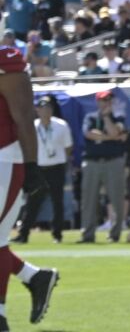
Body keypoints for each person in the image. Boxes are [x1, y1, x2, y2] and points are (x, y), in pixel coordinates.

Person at [0, 45, 60, 332]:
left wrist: (32, 164)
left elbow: (24, 115)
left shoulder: (5, 60)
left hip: (4, 158)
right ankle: (35, 277)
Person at [18, 93, 71, 244]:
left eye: (48, 107)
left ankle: (57, 234)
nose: (45, 110)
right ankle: (24, 234)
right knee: (32, 202)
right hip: (39, 167)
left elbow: (68, 147)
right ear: (37, 110)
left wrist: (59, 159)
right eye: (42, 108)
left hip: (57, 167)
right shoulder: (33, 127)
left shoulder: (61, 125)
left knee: (57, 201)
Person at [78, 88, 129, 243]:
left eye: (108, 100)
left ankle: (115, 234)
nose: (106, 103)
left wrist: (107, 119)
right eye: (103, 100)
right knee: (88, 200)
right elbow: (88, 133)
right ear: (97, 102)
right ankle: (88, 235)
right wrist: (111, 137)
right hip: (92, 162)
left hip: (113, 162)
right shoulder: (90, 117)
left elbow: (115, 132)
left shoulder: (118, 116)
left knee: (117, 199)